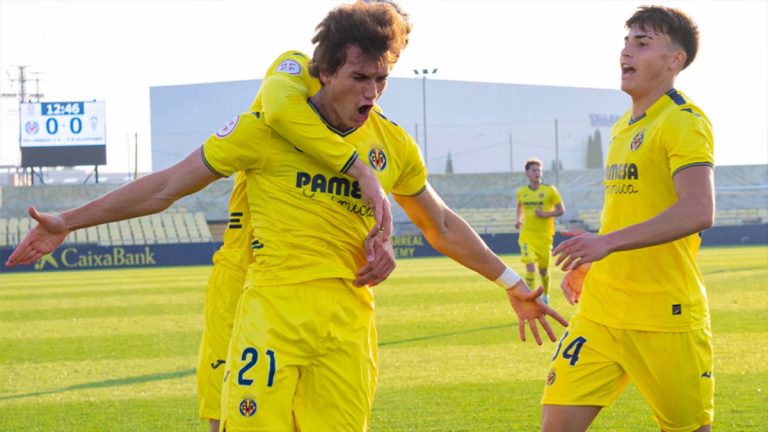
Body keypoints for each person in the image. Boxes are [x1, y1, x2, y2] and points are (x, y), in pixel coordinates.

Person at [6, 2, 568, 430]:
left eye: (381, 79)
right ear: (323, 72)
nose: (372, 93)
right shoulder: (266, 128)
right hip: (270, 309)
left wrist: (512, 282)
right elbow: (166, 187)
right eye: (359, 79)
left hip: (350, 320)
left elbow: (441, 225)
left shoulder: (392, 145)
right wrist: (69, 220)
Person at [197, 44, 402, 432]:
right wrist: (358, 169)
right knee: (228, 416)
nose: (372, 82)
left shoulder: (376, 127)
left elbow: (422, 214)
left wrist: (384, 239)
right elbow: (277, 106)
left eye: (387, 62)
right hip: (247, 266)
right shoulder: (297, 69)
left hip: (321, 293)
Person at [542, 6, 715, 432]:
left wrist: (606, 243)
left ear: (675, 60)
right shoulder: (622, 127)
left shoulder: (683, 121)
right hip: (601, 313)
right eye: (626, 41)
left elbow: (698, 209)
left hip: (664, 316)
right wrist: (595, 260)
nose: (626, 51)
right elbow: (630, 210)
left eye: (642, 43)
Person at [515, 158, 565, 304]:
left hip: (544, 236)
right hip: (527, 235)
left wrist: (546, 214)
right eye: (533, 170)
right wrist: (518, 219)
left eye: (539, 170)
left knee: (543, 270)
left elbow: (561, 210)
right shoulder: (522, 192)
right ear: (527, 173)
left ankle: (546, 295)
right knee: (529, 265)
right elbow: (520, 206)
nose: (537, 173)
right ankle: (530, 299)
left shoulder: (550, 190)